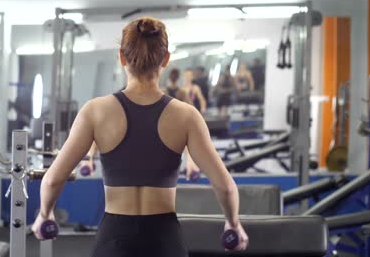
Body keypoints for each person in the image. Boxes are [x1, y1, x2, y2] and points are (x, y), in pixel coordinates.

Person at [32, 16, 248, 257]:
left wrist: (45, 214)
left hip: (114, 239)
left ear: (122, 58)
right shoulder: (187, 116)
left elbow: (52, 179)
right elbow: (225, 186)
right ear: (165, 59)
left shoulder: (94, 111)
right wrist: (233, 224)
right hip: (164, 240)